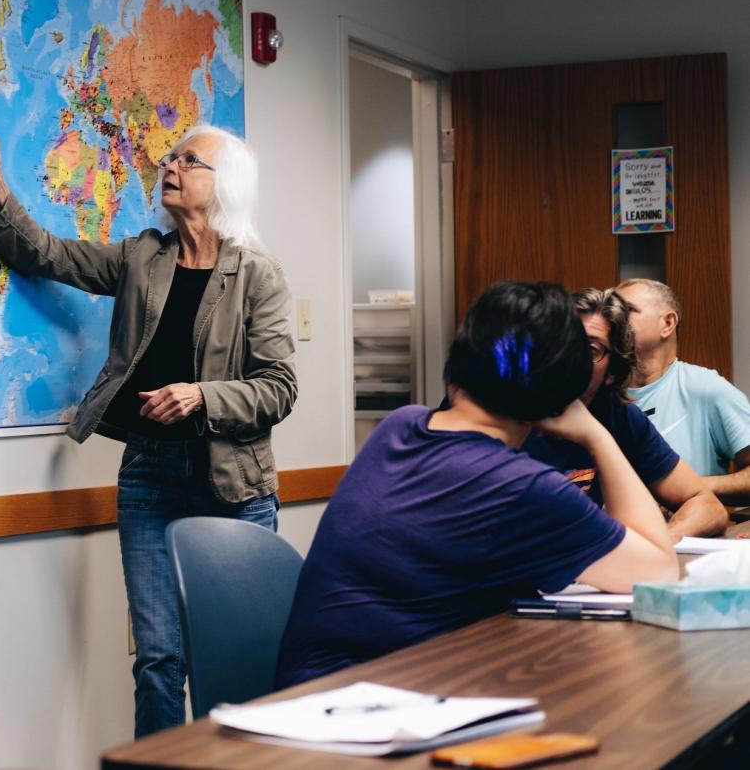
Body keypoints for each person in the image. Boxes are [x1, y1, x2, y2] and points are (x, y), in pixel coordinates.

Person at [0, 103, 297, 737]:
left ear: (225, 184)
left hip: (235, 489)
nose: (171, 166)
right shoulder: (144, 258)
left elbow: (279, 388)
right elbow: (50, 255)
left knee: (239, 663)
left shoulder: (259, 277)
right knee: (159, 661)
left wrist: (203, 396)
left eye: (189, 160)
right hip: (151, 479)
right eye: (172, 158)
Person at [275, 281, 677, 689]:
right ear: (560, 394)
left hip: (307, 694)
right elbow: (659, 571)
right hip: (378, 717)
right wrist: (597, 436)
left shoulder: (400, 425)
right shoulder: (519, 487)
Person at [522, 288, 726, 539]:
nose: (571, 355)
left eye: (592, 348)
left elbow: (707, 506)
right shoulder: (509, 412)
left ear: (612, 373)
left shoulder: (619, 416)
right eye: (565, 341)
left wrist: (662, 542)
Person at [617, 278, 750, 504]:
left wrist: (685, 487)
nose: (614, 319)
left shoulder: (705, 388)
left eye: (628, 310)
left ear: (668, 323)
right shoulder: (599, 393)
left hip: (686, 533)